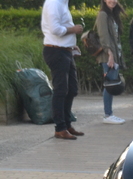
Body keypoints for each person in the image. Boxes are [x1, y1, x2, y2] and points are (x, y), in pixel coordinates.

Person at [41, 0, 84, 140]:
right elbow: (55, 30)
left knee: (72, 89)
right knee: (61, 90)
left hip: (65, 51)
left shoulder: (62, 2)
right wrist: (74, 30)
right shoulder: (54, 3)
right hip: (56, 51)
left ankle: (66, 124)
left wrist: (72, 45)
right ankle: (60, 128)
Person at [95, 0, 127, 125]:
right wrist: (110, 54)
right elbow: (103, 36)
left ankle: (109, 114)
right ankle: (108, 114)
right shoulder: (103, 14)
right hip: (108, 57)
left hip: (114, 55)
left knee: (111, 84)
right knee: (109, 85)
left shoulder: (112, 14)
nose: (112, 1)